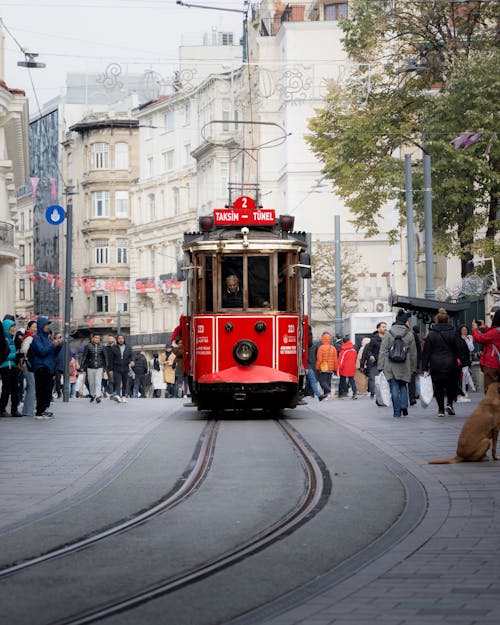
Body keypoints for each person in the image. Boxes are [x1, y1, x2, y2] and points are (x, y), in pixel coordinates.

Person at [422, 308, 463, 417]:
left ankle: (440, 410)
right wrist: (460, 361)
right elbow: (458, 349)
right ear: (447, 320)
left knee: (438, 386)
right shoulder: (453, 333)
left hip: (436, 363)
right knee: (451, 384)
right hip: (451, 363)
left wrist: (425, 368)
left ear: (437, 320)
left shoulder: (431, 334)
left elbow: (426, 352)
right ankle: (449, 403)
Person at [378, 309, 417, 417]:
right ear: (405, 321)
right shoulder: (409, 334)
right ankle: (404, 406)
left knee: (394, 387)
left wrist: (380, 366)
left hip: (391, 364)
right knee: (403, 385)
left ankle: (396, 411)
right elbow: (413, 353)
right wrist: (413, 368)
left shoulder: (388, 333)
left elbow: (383, 350)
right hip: (405, 364)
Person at [30, 317, 62, 419]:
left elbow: (53, 353)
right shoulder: (36, 338)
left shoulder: (48, 339)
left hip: (49, 368)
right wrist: (53, 345)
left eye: (48, 325)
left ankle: (44, 409)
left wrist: (58, 345)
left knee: (48, 391)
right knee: (41, 390)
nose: (47, 327)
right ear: (41, 326)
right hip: (41, 367)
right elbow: (42, 351)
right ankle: (39, 411)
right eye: (46, 325)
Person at [472, 310, 500, 392]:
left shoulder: (495, 332)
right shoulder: (496, 332)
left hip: (493, 364)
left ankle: (492, 404)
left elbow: (479, 338)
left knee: (490, 390)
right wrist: (485, 327)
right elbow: (494, 337)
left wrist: (475, 329)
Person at [0, 318, 21, 417]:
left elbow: (12, 353)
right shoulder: (3, 340)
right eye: (11, 327)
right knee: (6, 388)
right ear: (6, 328)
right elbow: (4, 354)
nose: (13, 329)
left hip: (13, 366)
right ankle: (2, 409)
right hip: (5, 366)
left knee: (15, 388)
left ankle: (14, 409)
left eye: (13, 327)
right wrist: (13, 355)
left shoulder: (12, 339)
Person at [80, 333, 108, 403]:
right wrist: (82, 366)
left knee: (98, 382)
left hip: (99, 367)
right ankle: (92, 395)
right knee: (91, 382)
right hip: (90, 367)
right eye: (95, 338)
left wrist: (106, 366)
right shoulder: (88, 346)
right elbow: (84, 356)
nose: (97, 339)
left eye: (98, 338)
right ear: (93, 338)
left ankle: (98, 396)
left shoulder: (102, 346)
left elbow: (105, 357)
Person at [363, 322, 387, 399]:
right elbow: (369, 350)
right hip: (375, 361)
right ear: (378, 328)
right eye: (383, 327)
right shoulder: (374, 339)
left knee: (385, 378)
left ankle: (384, 393)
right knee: (374, 378)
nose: (385, 328)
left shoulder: (388, 338)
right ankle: (373, 393)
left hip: (385, 362)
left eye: (385, 327)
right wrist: (371, 356)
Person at [107, 334, 134, 403]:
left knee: (125, 383)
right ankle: (118, 396)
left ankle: (124, 396)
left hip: (125, 367)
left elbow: (132, 355)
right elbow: (110, 359)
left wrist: (132, 360)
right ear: (117, 340)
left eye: (122, 338)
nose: (120, 340)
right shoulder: (114, 348)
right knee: (117, 382)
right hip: (116, 368)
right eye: (119, 338)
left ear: (124, 339)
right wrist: (110, 369)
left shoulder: (128, 347)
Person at [20, 320, 37, 417]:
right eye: (34, 327)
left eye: (36, 327)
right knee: (32, 387)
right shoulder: (30, 338)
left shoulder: (28, 337)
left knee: (30, 387)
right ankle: (28, 411)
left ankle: (26, 410)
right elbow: (24, 350)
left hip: (27, 365)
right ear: (29, 327)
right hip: (29, 365)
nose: (35, 329)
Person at [306, 328, 326, 401]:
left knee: (311, 381)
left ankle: (315, 394)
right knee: (312, 381)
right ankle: (318, 395)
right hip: (309, 366)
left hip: (307, 366)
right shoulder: (314, 347)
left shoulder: (305, 346)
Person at [315, 332, 337, 397]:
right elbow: (335, 360)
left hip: (324, 367)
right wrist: (335, 369)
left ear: (323, 339)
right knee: (328, 381)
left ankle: (329, 390)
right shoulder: (333, 348)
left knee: (322, 381)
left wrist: (317, 367)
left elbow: (319, 360)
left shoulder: (321, 348)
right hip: (331, 368)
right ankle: (326, 395)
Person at [457, 325, 476, 402]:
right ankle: (463, 392)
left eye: (466, 330)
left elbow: (471, 348)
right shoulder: (457, 338)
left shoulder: (469, 338)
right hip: (458, 360)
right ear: (460, 331)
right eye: (463, 330)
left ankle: (464, 391)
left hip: (466, 360)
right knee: (462, 376)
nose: (465, 331)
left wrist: (467, 340)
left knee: (465, 375)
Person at [408, 325, 423, 406]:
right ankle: (413, 397)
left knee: (412, 380)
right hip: (413, 361)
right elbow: (419, 350)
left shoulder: (413, 335)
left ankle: (412, 396)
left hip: (402, 362)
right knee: (413, 380)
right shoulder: (415, 336)